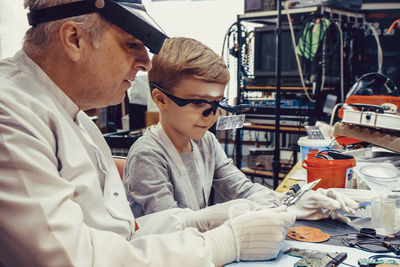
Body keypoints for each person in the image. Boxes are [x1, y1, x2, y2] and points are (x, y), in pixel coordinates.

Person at [0, 1, 297, 266]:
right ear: (74, 39)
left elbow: (124, 234)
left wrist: (198, 221)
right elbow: (75, 258)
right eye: (132, 44)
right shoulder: (10, 114)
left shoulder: (77, 120)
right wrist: (221, 243)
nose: (146, 63)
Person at [123, 37, 359, 221]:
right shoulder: (148, 155)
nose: (211, 115)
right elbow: (171, 227)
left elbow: (244, 190)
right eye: (198, 103)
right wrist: (251, 213)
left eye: (217, 104)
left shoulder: (205, 142)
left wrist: (295, 200)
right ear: (161, 99)